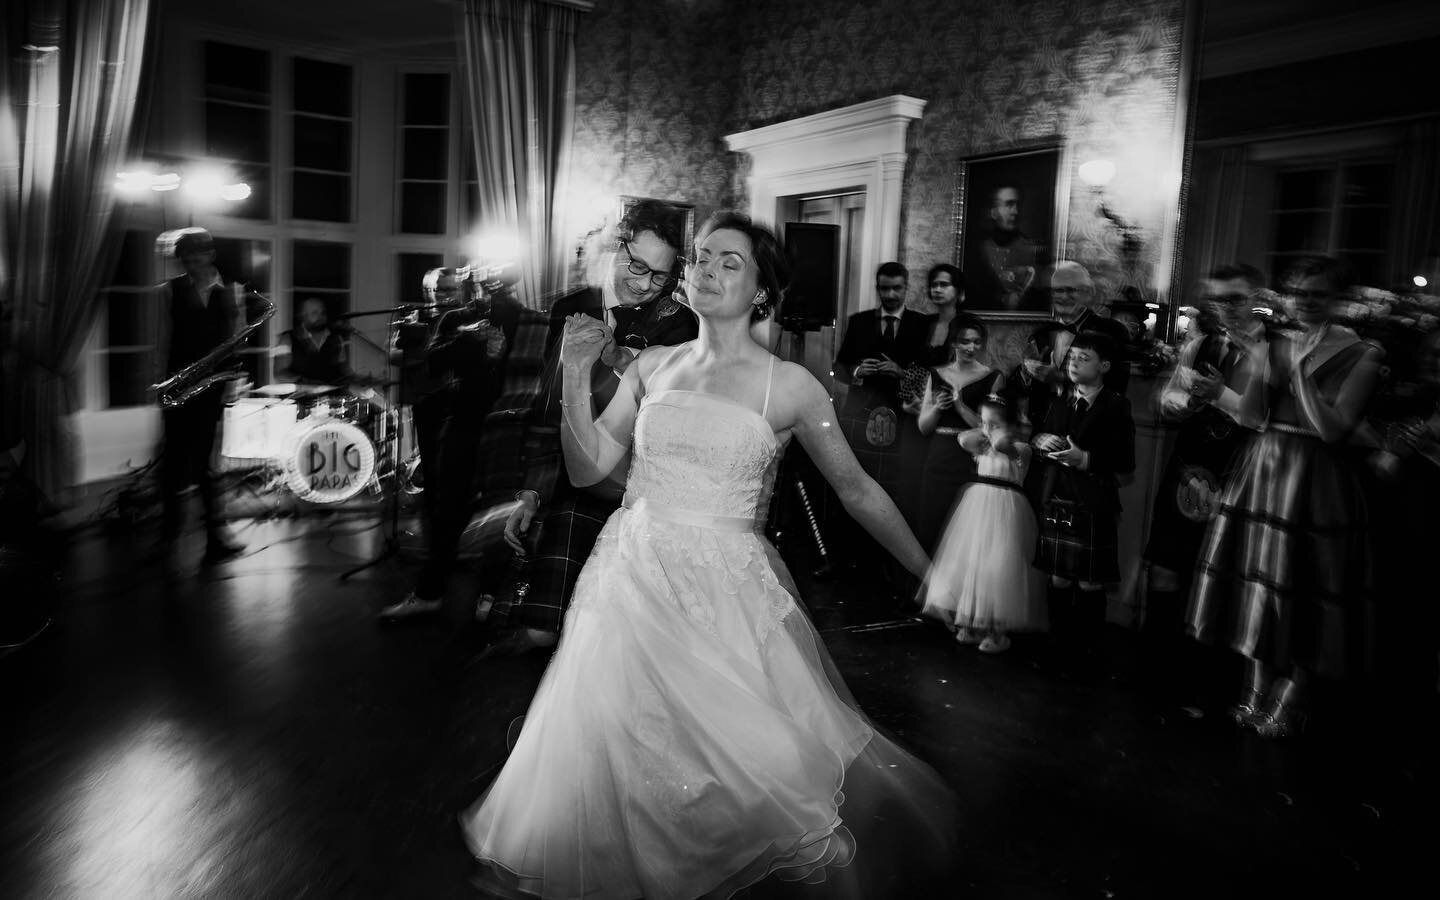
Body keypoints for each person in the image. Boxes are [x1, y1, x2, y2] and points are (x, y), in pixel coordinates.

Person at [460, 212, 955, 898]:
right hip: (630, 576)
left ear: (761, 292)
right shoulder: (653, 366)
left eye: (729, 261)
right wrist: (577, 374)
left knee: (744, 754)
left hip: (725, 590)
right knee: (616, 743)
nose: (706, 270)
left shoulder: (790, 386)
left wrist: (932, 572)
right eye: (700, 258)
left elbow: (858, 491)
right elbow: (587, 468)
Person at [483, 199, 699, 656]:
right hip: (564, 474)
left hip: (628, 486)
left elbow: (664, 420)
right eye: (638, 266)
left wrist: (622, 363)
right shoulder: (569, 307)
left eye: (660, 275)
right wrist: (530, 493)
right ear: (616, 248)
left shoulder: (679, 324)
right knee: (531, 619)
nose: (645, 285)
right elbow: (545, 411)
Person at [1186, 256, 1385, 738]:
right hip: (1267, 468)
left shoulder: (1363, 352)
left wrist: (1298, 373)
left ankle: (1293, 696)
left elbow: (1333, 429)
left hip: (1317, 475)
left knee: (1307, 585)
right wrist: (1261, 368)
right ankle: (1254, 688)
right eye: (1299, 291)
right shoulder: (1275, 345)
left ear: (1338, 300)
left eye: (1317, 293)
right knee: (1261, 579)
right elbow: (1252, 418)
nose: (1306, 301)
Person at [1139, 265, 1265, 716]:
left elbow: (1265, 421)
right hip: (1187, 469)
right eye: (1217, 300)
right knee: (1167, 569)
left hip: (1239, 475)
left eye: (1233, 299)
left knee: (1219, 579)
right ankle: (1157, 675)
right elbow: (1165, 401)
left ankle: (1211, 688)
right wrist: (1185, 401)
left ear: (1254, 295)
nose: (1225, 309)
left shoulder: (1274, 349)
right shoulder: (1198, 344)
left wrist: (1221, 395)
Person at [379, 270, 522, 622]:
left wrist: (498, 346)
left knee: (501, 509)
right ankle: (430, 593)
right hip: (462, 421)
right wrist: (467, 338)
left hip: (506, 421)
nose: (491, 285)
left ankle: (491, 595)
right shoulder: (456, 318)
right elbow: (432, 361)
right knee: (447, 509)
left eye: (500, 280)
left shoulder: (520, 315)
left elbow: (532, 365)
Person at [1031, 332, 1136, 667]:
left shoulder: (1116, 404)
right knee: (1058, 577)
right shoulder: (1062, 397)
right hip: (1057, 497)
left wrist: (1086, 459)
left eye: (1084, 357)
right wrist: (1041, 439)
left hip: (1092, 502)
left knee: (1090, 583)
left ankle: (1086, 655)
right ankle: (1057, 648)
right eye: (1072, 356)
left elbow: (1125, 463)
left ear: (1104, 365)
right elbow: (1044, 434)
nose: (1074, 362)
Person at [831, 262, 936, 595]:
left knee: (895, 491)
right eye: (884, 289)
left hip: (904, 418)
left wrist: (901, 371)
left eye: (897, 289)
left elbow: (931, 375)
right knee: (856, 484)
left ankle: (890, 565)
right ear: (878, 288)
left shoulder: (923, 324)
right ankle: (850, 561)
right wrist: (860, 370)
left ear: (907, 287)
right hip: (860, 417)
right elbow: (840, 367)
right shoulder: (859, 321)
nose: (890, 295)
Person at [923, 392, 1047, 653]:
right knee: (974, 565)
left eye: (993, 423)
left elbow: (1004, 446)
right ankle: (972, 624)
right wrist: (985, 429)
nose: (986, 428)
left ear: (1012, 426)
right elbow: (962, 439)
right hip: (978, 507)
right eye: (983, 422)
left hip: (1006, 511)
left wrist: (999, 433)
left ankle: (997, 631)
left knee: (999, 568)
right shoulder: (982, 443)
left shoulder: (1020, 449)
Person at [156, 228, 249, 565]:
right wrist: (161, 385)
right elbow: (161, 340)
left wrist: (231, 384)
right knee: (172, 464)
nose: (191, 262)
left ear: (209, 255)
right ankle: (169, 535)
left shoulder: (233, 291)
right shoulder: (169, 291)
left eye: (196, 255)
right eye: (185, 258)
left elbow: (235, 341)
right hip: (178, 385)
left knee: (206, 463)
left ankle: (215, 537)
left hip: (211, 386)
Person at [1017, 261, 1132, 435]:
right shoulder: (1041, 333)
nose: (1063, 297)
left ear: (1088, 293)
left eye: (1071, 290)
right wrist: (1026, 374)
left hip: (1090, 433)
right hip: (1042, 434)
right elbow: (1030, 391)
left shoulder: (1112, 332)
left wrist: (1061, 379)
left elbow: (1116, 387)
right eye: (1058, 290)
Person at [913, 314, 996, 550]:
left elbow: (990, 430)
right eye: (965, 341)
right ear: (954, 343)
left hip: (971, 459)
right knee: (932, 525)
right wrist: (938, 408)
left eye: (977, 342)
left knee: (965, 530)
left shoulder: (992, 378)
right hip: (938, 459)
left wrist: (959, 406)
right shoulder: (936, 375)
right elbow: (923, 427)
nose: (971, 347)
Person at [977, 186, 1039, 310]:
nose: (1015, 212)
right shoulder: (980, 248)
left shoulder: (1029, 249)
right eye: (1009, 205)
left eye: (1017, 205)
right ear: (994, 211)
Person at [277, 297, 353, 385]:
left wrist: (358, 381)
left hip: (331, 397)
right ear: (303, 316)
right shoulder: (286, 338)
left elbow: (343, 370)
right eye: (315, 313)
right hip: (298, 396)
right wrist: (305, 384)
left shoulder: (336, 339)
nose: (320, 317)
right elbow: (279, 374)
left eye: (323, 313)